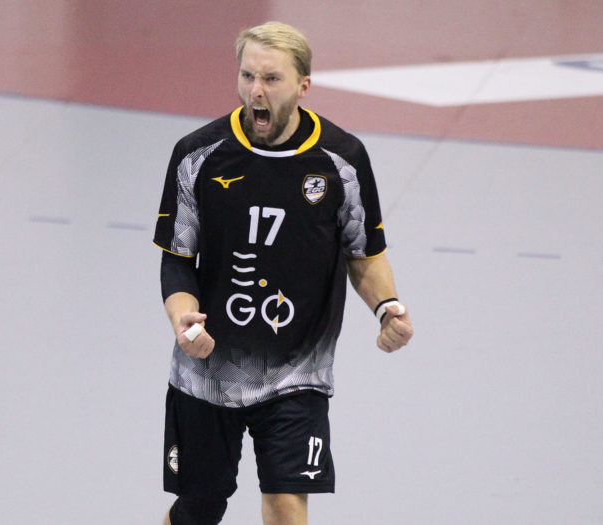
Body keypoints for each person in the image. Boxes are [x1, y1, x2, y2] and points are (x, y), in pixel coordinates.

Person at [153, 21, 413, 525]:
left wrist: (387, 308)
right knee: (200, 508)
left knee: (287, 506)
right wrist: (184, 319)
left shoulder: (341, 160)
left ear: (303, 85)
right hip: (208, 372)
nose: (256, 90)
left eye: (271, 79)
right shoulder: (197, 155)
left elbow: (364, 252)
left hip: (299, 371)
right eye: (247, 76)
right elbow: (178, 259)